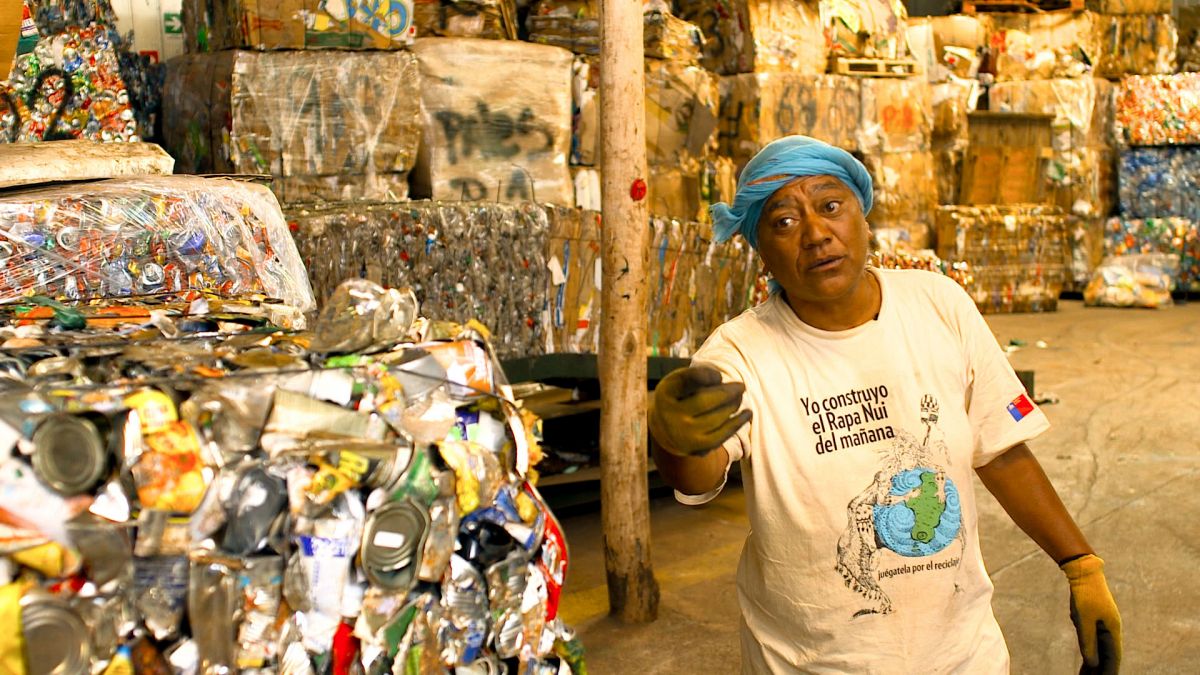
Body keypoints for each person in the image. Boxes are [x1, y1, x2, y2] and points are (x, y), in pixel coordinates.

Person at [648, 136, 1122, 674]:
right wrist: (674, 438)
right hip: (811, 662)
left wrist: (1080, 565)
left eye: (831, 206)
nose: (816, 235)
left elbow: (1000, 449)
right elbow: (695, 476)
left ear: (863, 214)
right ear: (759, 249)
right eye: (783, 222)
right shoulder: (739, 354)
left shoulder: (938, 304)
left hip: (962, 656)